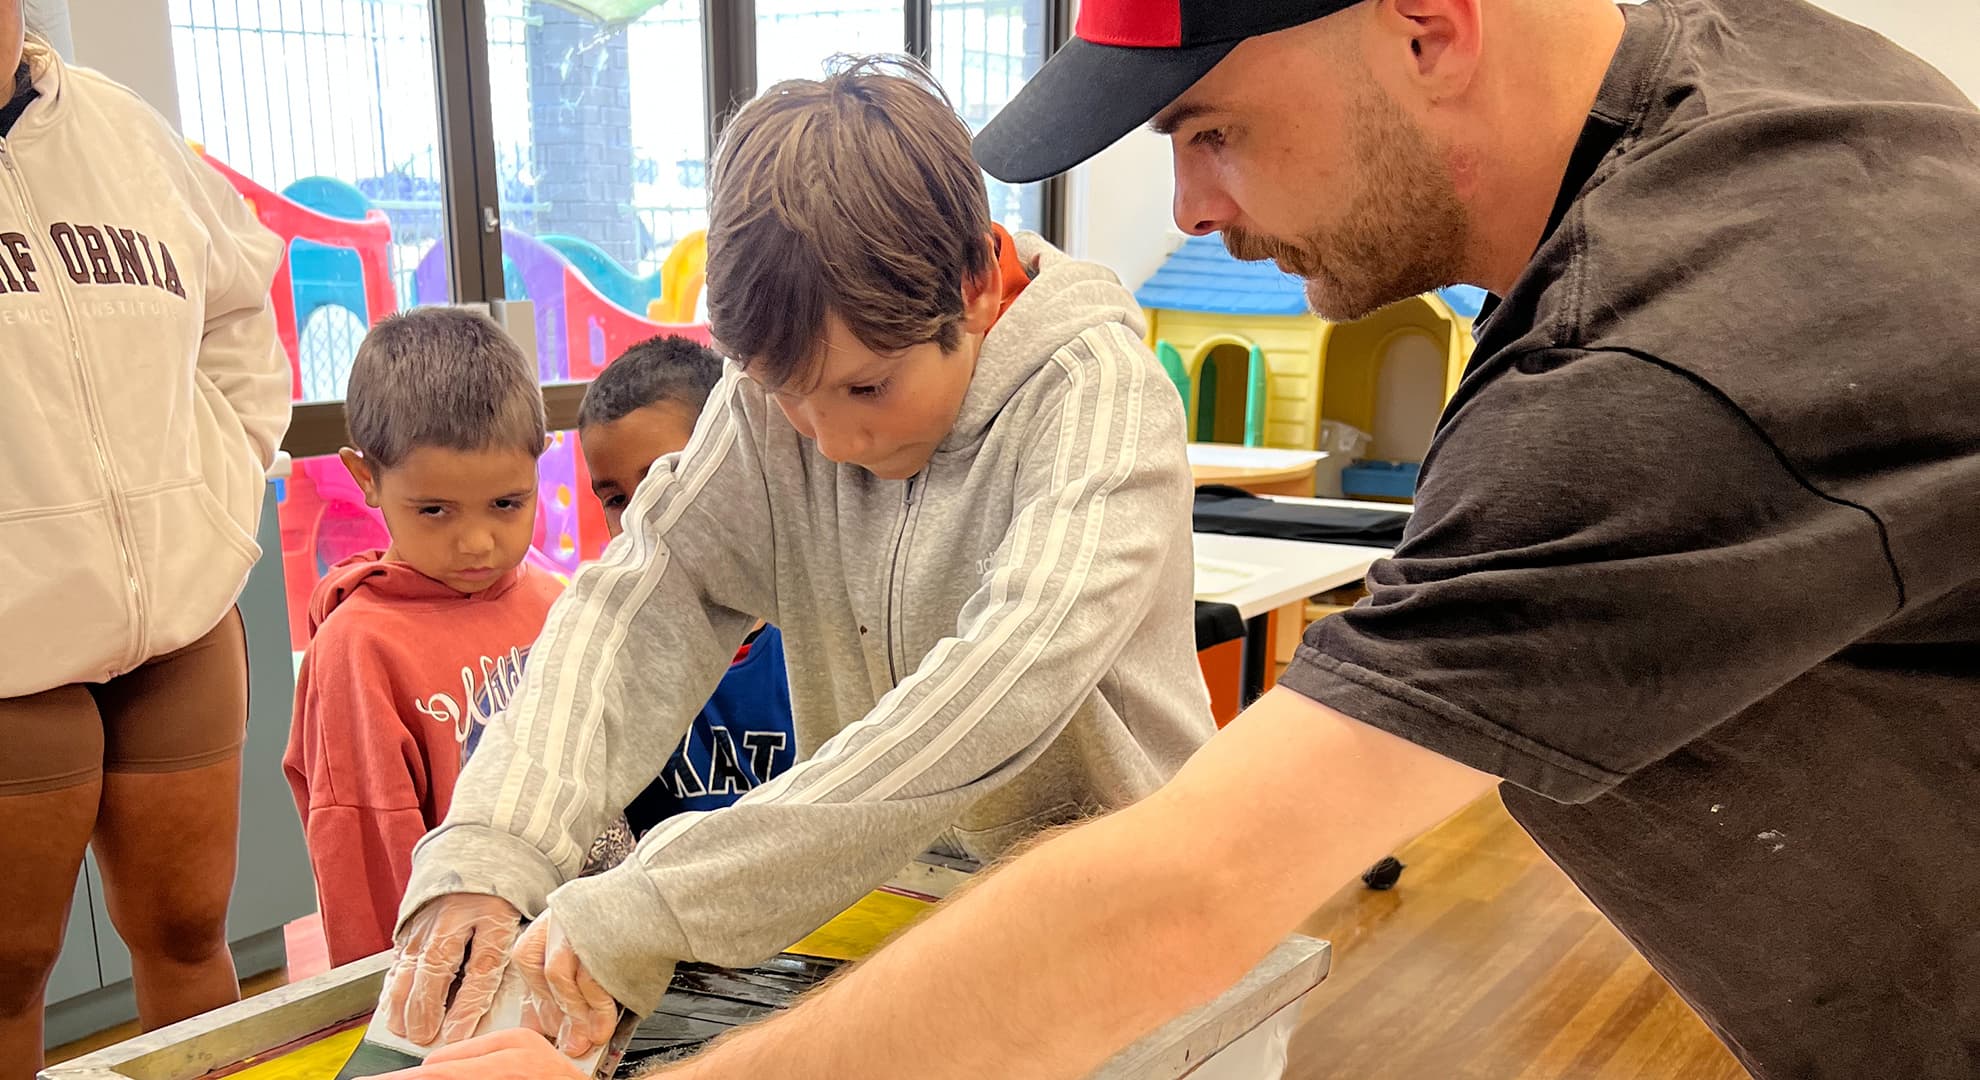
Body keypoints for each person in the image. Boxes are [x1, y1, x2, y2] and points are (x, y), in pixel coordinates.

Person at [392, 0, 1980, 1078]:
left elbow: (1177, 884)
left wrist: (622, 932)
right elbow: (647, 587)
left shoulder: (1652, 372)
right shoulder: (1750, 93)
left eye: (1213, 129)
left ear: (1426, 24)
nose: (1191, 206)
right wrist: (495, 858)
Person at [372, 56, 1216, 1060]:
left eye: (866, 389)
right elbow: (640, 600)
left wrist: (650, 904)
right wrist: (494, 846)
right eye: (787, 393)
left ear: (978, 285)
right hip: (893, 900)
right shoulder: (776, 399)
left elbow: (994, 696)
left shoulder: (1098, 403)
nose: (828, 439)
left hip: (1124, 917)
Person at [0, 13, 291, 1074]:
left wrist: (219, 482)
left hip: (177, 621)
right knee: (4, 978)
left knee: (188, 938)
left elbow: (239, 310)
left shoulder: (125, 136)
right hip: (8, 661)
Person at [282, 308, 562, 967]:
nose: (476, 542)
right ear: (366, 477)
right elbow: (365, 850)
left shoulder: (560, 602)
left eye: (507, 504)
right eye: (433, 510)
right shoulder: (358, 649)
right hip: (450, 979)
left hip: (579, 959)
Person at [575, 334, 796, 832]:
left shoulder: (806, 639)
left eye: (666, 477)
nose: (643, 515)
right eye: (615, 498)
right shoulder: (614, 656)